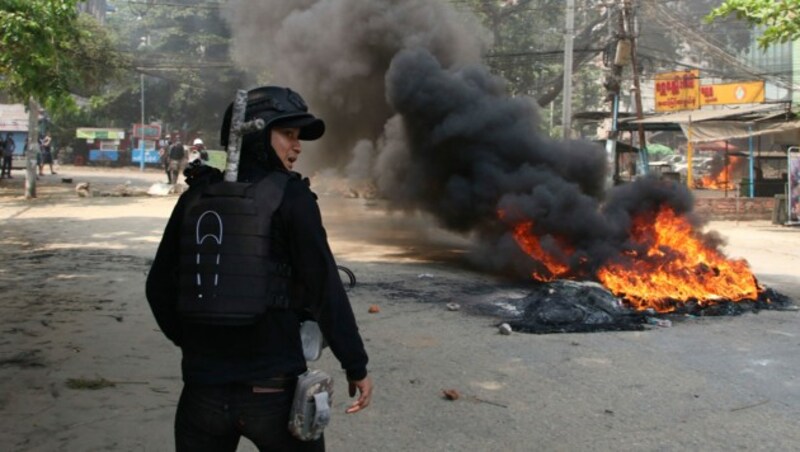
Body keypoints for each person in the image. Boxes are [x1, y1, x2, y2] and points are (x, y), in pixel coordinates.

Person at [146, 85, 372, 451]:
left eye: (298, 137)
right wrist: (355, 365)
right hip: (274, 395)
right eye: (287, 134)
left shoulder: (194, 198)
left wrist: (195, 342)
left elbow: (158, 288)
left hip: (202, 394)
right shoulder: (292, 197)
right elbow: (324, 288)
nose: (297, 146)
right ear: (257, 135)